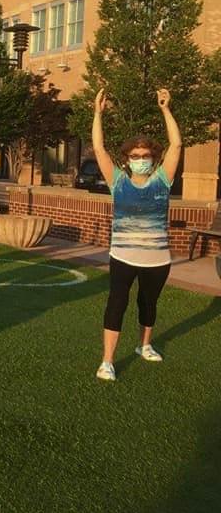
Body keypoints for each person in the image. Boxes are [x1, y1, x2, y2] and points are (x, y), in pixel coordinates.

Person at [92, 87, 182, 382]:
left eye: (145, 155)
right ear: (127, 159)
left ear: (153, 158)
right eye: (135, 155)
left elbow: (177, 146)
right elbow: (99, 149)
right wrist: (97, 114)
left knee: (148, 304)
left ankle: (144, 345)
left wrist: (166, 109)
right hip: (123, 257)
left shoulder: (162, 180)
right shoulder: (117, 181)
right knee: (117, 303)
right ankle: (107, 361)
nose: (140, 158)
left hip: (157, 260)